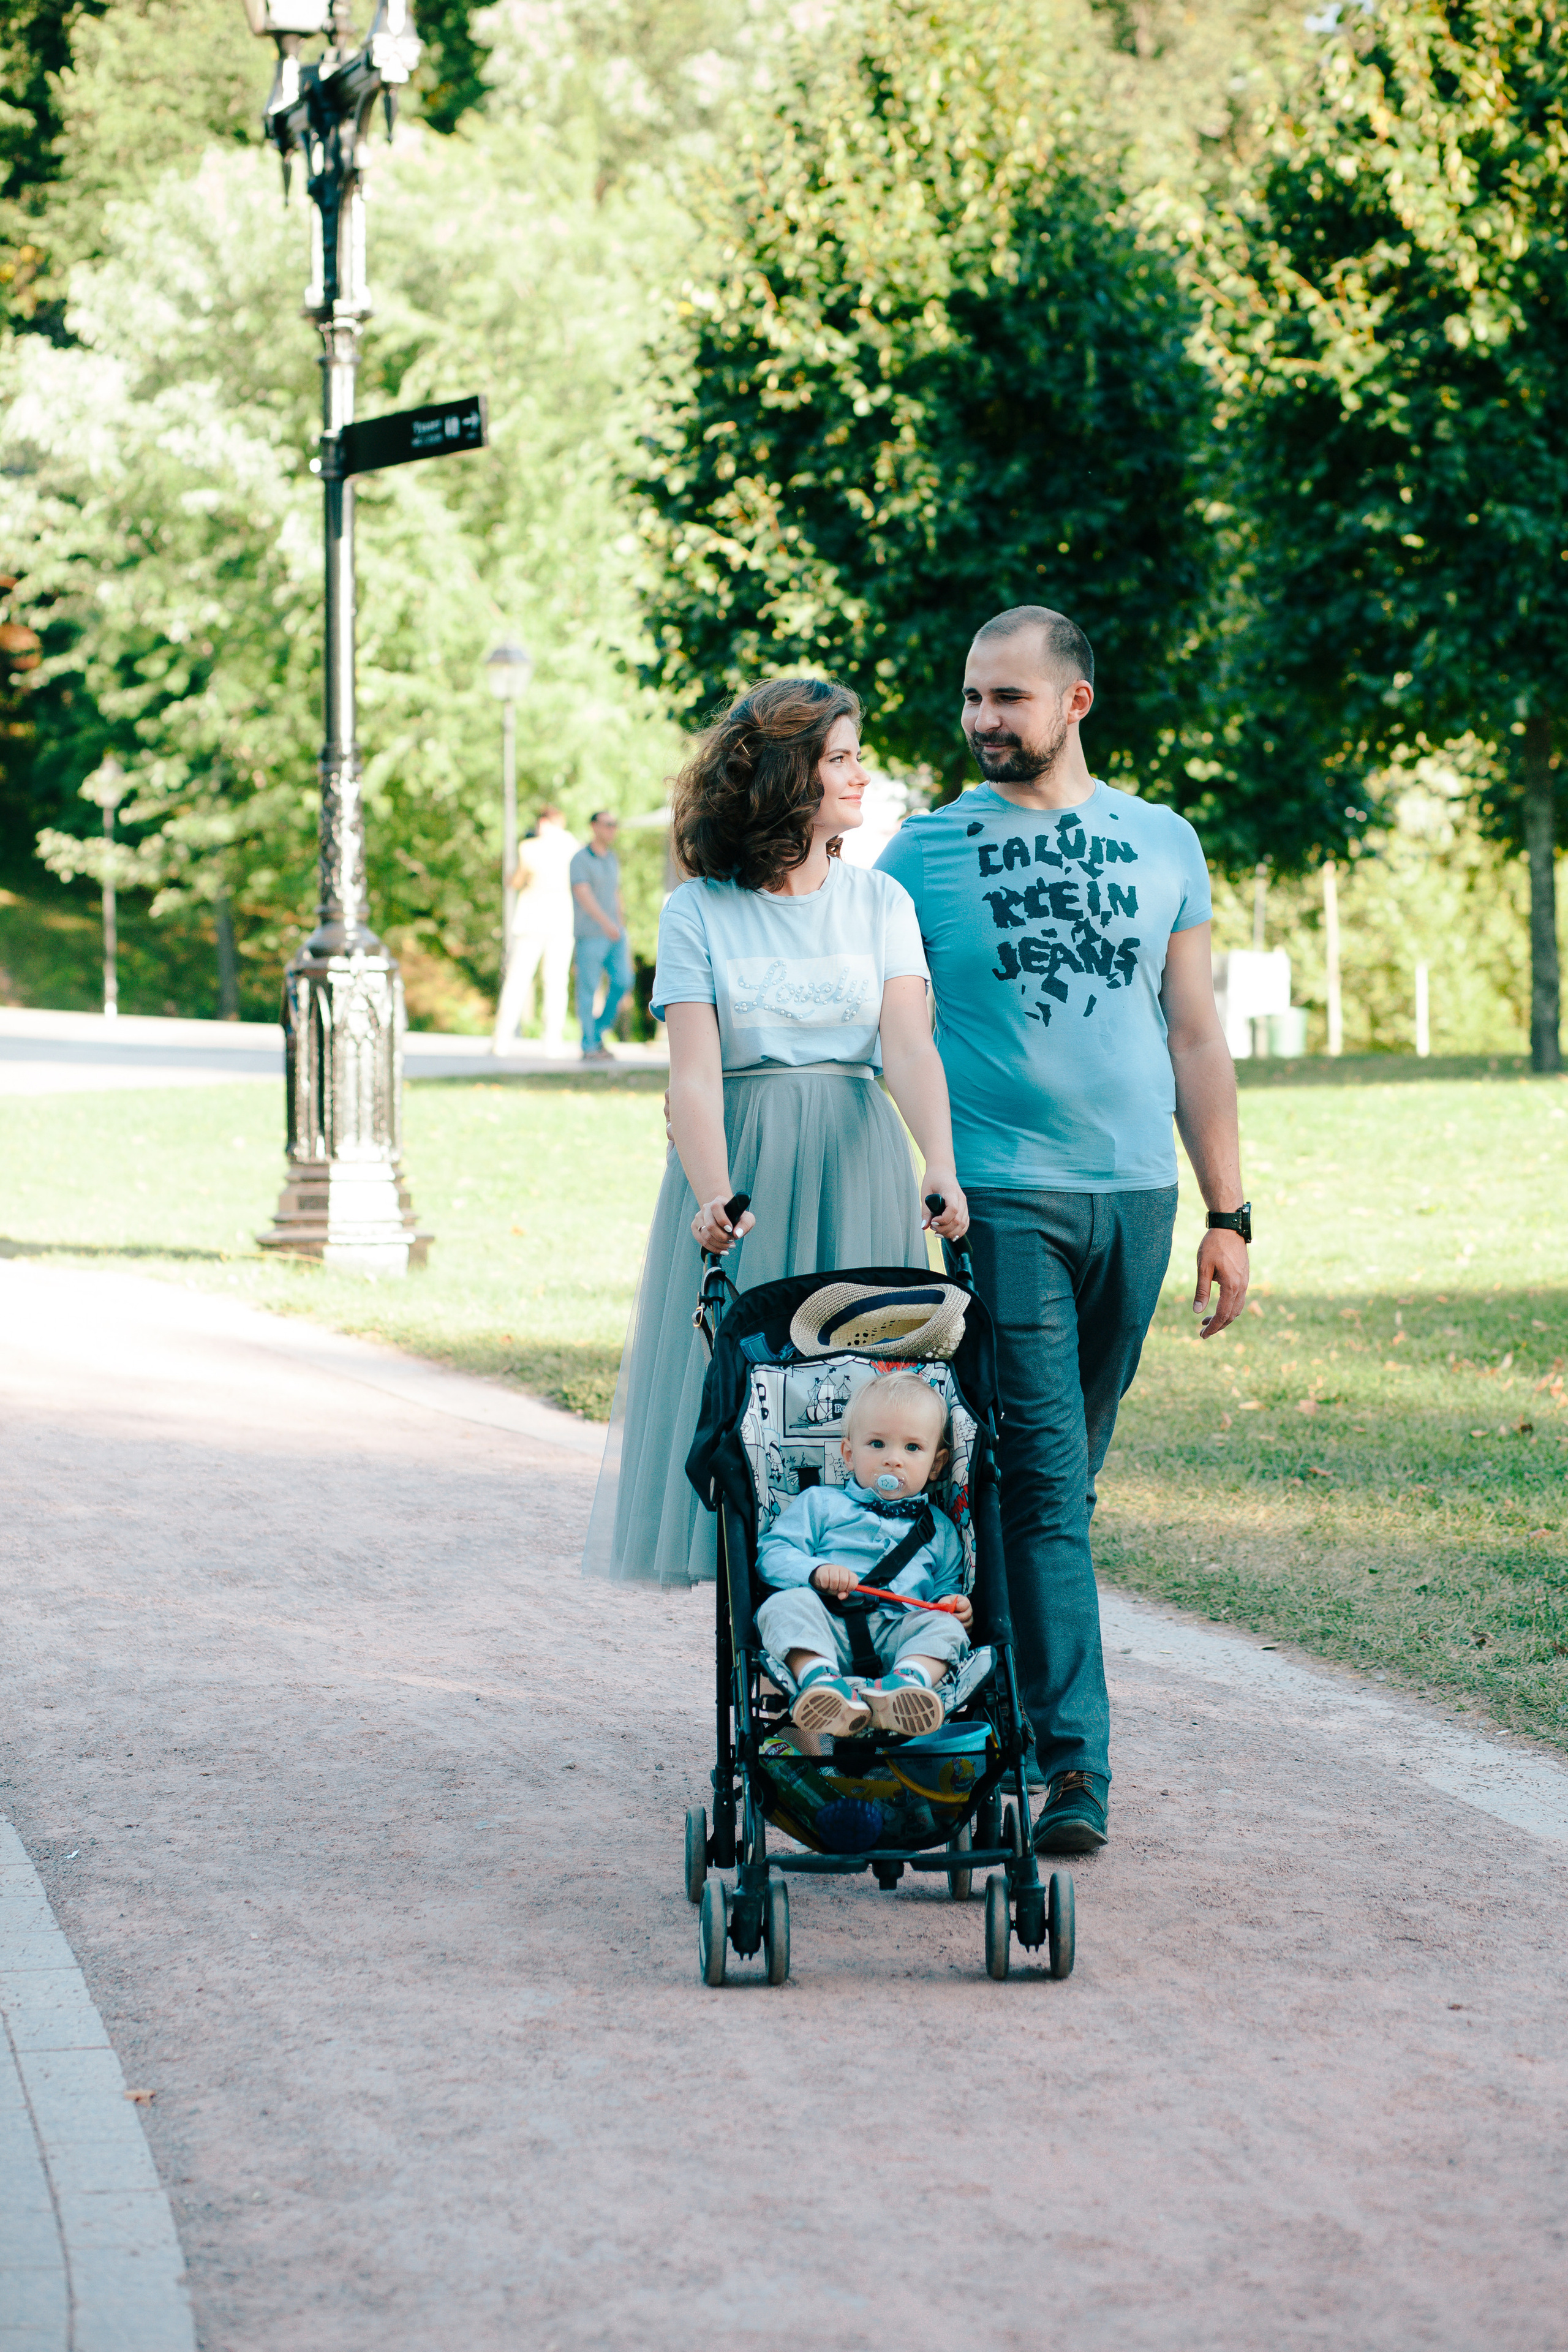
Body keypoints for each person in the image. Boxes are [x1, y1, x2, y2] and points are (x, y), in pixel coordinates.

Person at [876, 605, 1250, 1856]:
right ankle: (1069, 1765)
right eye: (971, 697)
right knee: (1044, 1481)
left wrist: (1226, 1209)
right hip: (1000, 1200)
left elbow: (1194, 1034)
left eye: (1007, 699)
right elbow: (877, 1012)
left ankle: (962, 1684)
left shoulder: (1163, 842)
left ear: (1073, 703)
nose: (983, 719)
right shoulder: (919, 854)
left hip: (1135, 1196)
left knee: (1051, 1477)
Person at [582, 675, 968, 1589]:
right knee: (755, 1396)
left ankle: (853, 1651)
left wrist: (940, 1165)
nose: (861, 778)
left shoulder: (882, 906)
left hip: (857, 1156)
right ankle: (774, 1645)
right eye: (841, 759)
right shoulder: (698, 911)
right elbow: (691, 1075)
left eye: (857, 758)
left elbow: (910, 1052)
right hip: (743, 1166)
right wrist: (712, 1192)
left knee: (859, 1392)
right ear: (789, 777)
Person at [755, 1371, 971, 1740]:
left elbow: (946, 1587)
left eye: (912, 1448)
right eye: (877, 1444)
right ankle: (821, 1683)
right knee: (782, 1607)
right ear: (849, 1454)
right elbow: (772, 1555)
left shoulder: (940, 1530)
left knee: (947, 1630)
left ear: (937, 1465)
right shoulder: (821, 1504)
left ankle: (906, 1687)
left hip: (900, 1636)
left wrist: (951, 1604)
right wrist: (816, 1571)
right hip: (826, 1628)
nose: (893, 1460)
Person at [491, 805, 578, 1055]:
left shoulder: (529, 848)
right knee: (556, 982)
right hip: (562, 919)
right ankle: (552, 1040)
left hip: (532, 919)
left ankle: (503, 1038)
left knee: (518, 979)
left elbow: (516, 881)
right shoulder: (572, 847)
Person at [571, 812, 632, 1061]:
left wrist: (621, 924)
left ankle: (597, 1031)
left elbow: (615, 893)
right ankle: (589, 1045)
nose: (612, 830)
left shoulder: (612, 859)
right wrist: (607, 924)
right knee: (587, 989)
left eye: (615, 825)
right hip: (591, 934)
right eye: (608, 825)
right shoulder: (580, 859)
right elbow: (583, 895)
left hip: (616, 934)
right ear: (594, 827)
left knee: (624, 981)